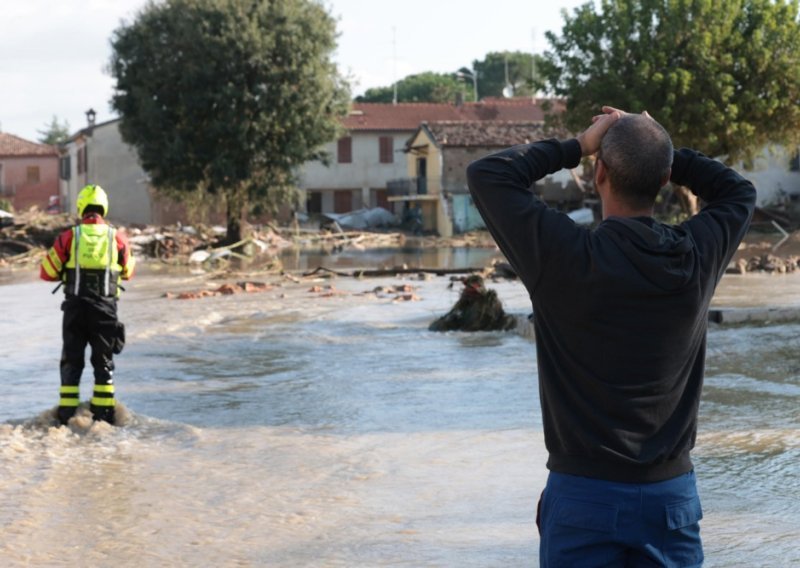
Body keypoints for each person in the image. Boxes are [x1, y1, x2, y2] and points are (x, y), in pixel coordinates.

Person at [466, 106, 756, 567]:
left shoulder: (564, 257)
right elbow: (738, 191)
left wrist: (577, 145)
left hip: (584, 497)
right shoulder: (696, 257)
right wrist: (659, 147)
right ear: (664, 181)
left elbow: (488, 175)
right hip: (670, 500)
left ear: (599, 172)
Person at [40, 184, 135, 425]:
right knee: (103, 362)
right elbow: (129, 272)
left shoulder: (69, 237)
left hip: (75, 310)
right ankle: (103, 420)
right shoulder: (117, 239)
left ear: (81, 207)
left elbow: (46, 272)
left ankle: (66, 418)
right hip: (105, 310)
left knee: (72, 361)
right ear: (104, 207)